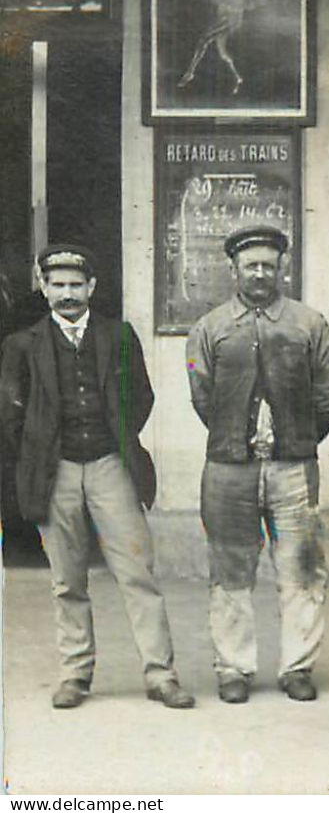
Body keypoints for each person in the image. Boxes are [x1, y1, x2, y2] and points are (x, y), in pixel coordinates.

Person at [0, 245, 195, 710]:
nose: (67, 294)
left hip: (111, 464)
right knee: (67, 579)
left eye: (76, 285)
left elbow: (141, 397)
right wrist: (40, 453)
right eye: (58, 285)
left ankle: (160, 674)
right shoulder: (22, 345)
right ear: (44, 288)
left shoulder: (118, 335)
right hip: (55, 470)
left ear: (92, 287)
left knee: (136, 571)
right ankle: (75, 674)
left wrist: (118, 439)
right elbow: (10, 413)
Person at [186, 224, 329, 704]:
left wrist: (298, 440)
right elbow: (201, 394)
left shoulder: (309, 324)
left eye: (268, 266)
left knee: (302, 567)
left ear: (281, 269)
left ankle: (297, 667)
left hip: (294, 467)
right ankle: (234, 667)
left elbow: (326, 395)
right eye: (250, 265)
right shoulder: (208, 328)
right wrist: (234, 437)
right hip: (229, 468)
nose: (259, 274)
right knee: (230, 569)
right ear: (233, 269)